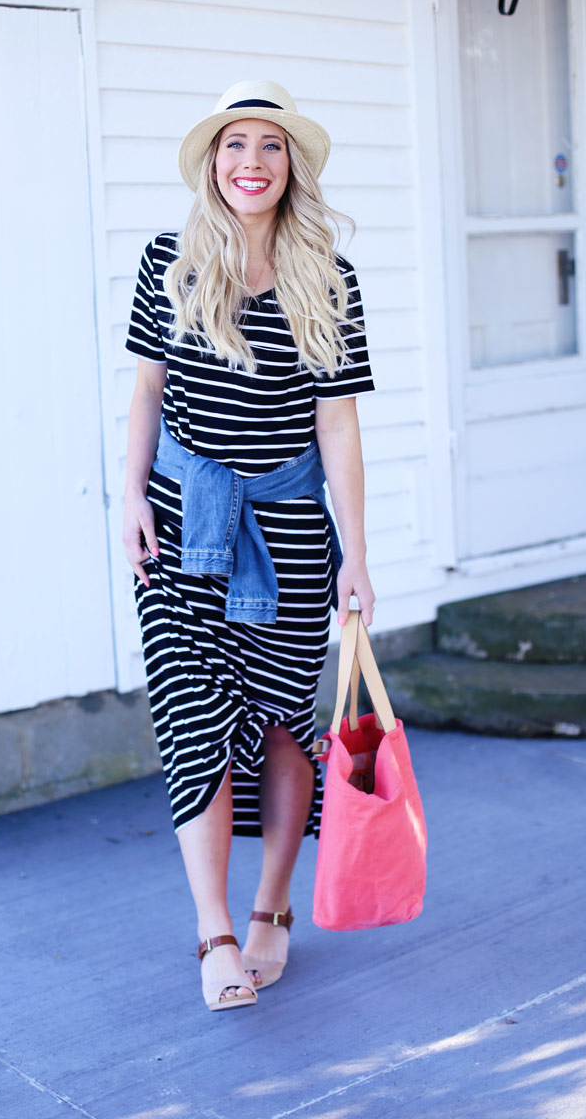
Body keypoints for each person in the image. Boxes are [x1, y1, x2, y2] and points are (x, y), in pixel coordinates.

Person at [123, 80, 375, 1012]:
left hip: (291, 530)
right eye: (236, 145)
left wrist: (356, 553)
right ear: (212, 164)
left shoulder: (328, 276)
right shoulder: (169, 262)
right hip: (185, 528)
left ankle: (272, 908)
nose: (252, 164)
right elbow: (149, 390)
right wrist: (129, 500)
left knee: (281, 727)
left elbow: (338, 427)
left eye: (271, 146)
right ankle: (213, 931)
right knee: (193, 727)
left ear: (291, 166)